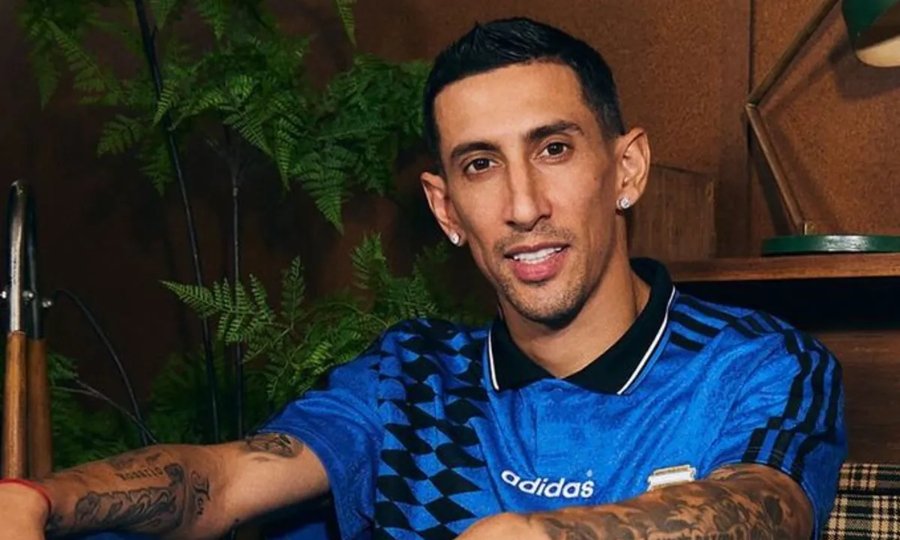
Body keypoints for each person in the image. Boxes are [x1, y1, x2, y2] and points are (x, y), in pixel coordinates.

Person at [0, 17, 845, 539]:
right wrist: (41, 500)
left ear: (625, 169)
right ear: (446, 209)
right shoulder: (408, 378)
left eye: (553, 149)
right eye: (481, 165)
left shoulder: (754, 365)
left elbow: (766, 507)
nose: (523, 205)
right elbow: (221, 482)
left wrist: (534, 536)